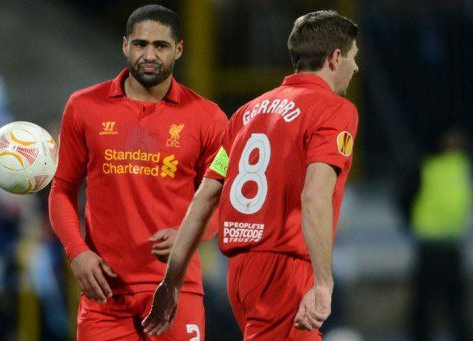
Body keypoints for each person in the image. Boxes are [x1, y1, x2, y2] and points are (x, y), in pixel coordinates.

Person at [143, 10, 359, 340]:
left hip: (241, 272)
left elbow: (204, 198)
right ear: (335, 57)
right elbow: (315, 195)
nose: (356, 68)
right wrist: (323, 282)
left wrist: (170, 281)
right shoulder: (334, 109)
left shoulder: (246, 113)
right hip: (285, 270)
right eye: (354, 57)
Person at [48, 4, 227, 340]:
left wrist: (190, 237)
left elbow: (222, 201)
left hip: (176, 290)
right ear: (125, 45)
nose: (149, 54)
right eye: (141, 44)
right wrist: (77, 252)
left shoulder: (209, 118)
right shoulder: (83, 107)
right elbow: (62, 188)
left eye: (160, 46)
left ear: (179, 49)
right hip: (104, 295)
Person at [406, 128, 471, 341]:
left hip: (453, 241)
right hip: (429, 242)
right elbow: (405, 196)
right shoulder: (425, 165)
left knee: (455, 301)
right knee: (425, 300)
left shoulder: (462, 164)